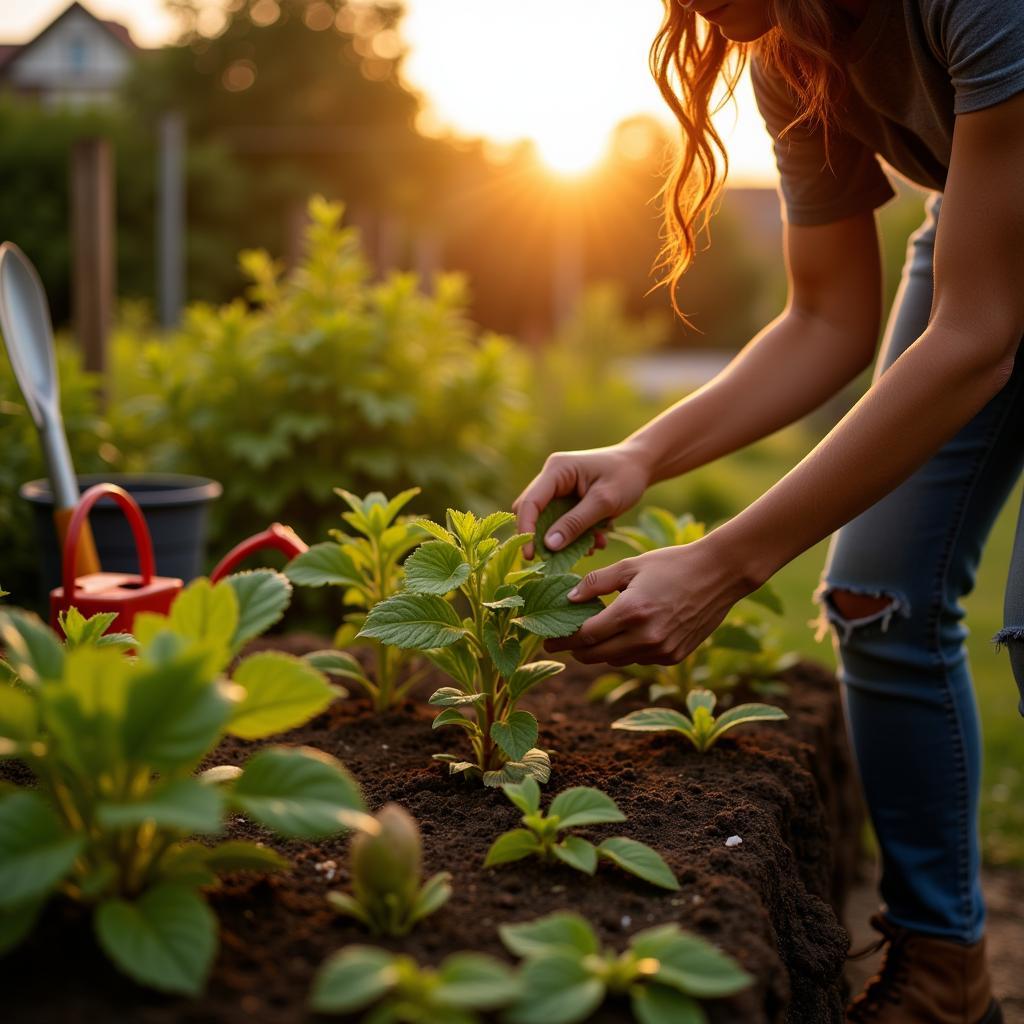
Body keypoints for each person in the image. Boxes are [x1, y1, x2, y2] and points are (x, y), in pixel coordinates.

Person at [513, 2, 1024, 1021]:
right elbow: (826, 319)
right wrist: (642, 453)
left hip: (986, 287)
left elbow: (975, 336)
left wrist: (726, 560)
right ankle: (941, 973)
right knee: (875, 593)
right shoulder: (789, 41)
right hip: (982, 243)